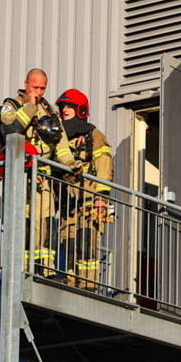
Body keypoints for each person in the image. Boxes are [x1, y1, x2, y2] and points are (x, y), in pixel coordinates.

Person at [0, 69, 77, 274]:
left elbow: (60, 143)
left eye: (42, 88)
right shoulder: (12, 105)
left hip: (44, 176)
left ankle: (45, 269)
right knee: (24, 220)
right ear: (25, 84)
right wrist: (30, 105)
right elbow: (12, 128)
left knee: (46, 222)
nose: (39, 92)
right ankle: (21, 268)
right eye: (35, 87)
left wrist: (70, 162)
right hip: (21, 176)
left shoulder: (49, 110)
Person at [55, 89, 113, 289]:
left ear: (80, 109)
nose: (64, 110)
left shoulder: (93, 135)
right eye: (62, 107)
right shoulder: (60, 139)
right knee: (68, 243)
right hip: (67, 202)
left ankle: (88, 286)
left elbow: (104, 166)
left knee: (86, 243)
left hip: (89, 199)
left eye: (69, 106)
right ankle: (72, 284)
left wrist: (101, 197)